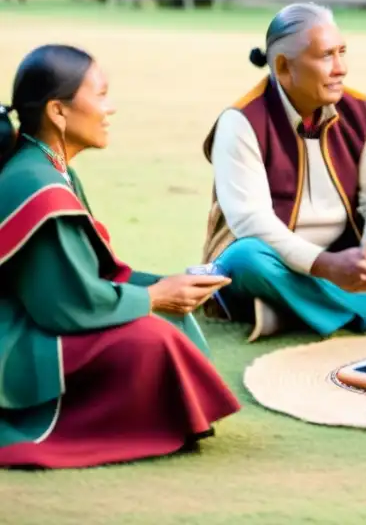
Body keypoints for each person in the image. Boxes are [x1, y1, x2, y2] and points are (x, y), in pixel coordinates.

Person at [0, 45, 240, 469]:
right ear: (59, 111)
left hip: (44, 314)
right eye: (102, 95)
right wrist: (156, 296)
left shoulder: (50, 166)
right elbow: (66, 307)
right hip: (13, 340)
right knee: (153, 338)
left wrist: (161, 287)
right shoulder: (36, 184)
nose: (111, 108)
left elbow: (87, 275)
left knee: (167, 319)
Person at [198, 2, 366, 342]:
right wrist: (326, 266)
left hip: (348, 255)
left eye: (342, 52)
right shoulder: (240, 122)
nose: (341, 68)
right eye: (327, 56)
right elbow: (252, 223)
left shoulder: (361, 110)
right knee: (245, 257)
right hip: (277, 262)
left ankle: (293, 311)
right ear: (285, 67)